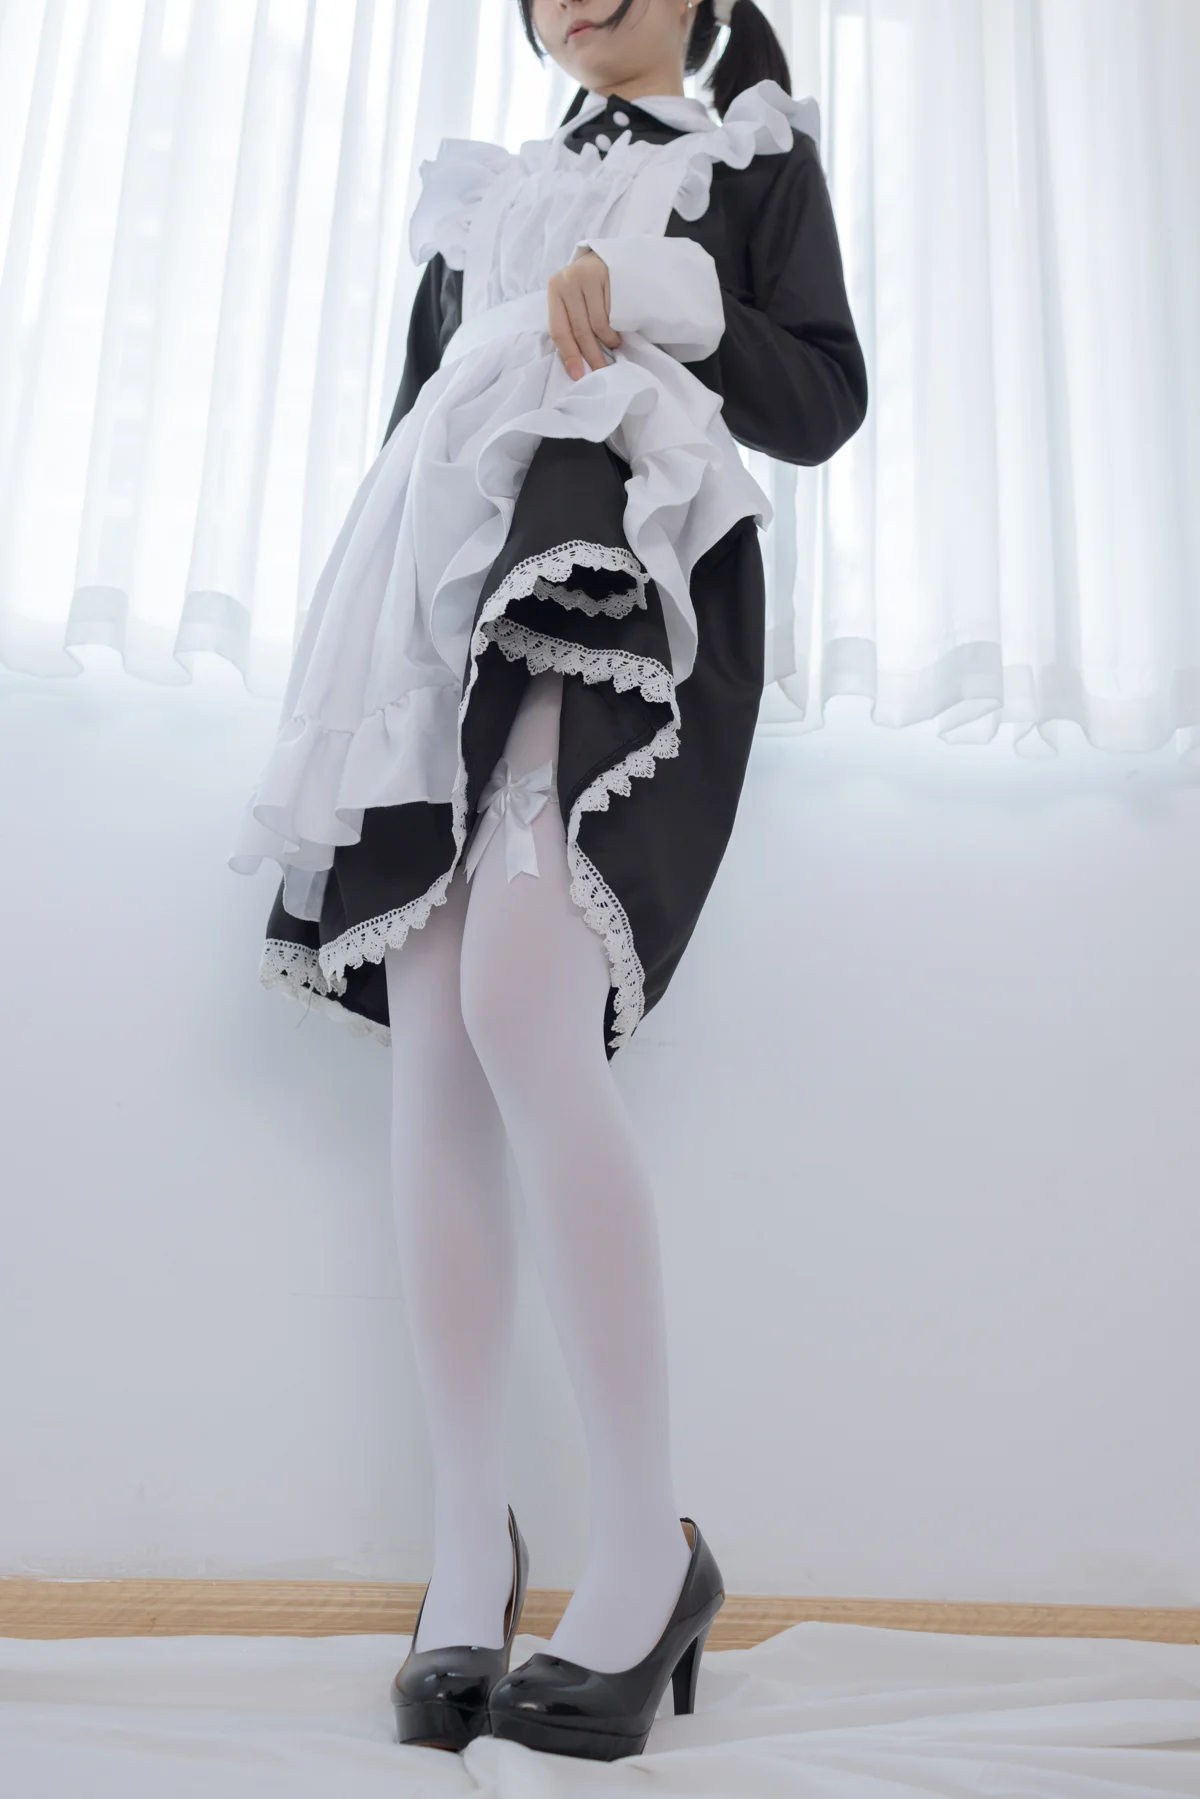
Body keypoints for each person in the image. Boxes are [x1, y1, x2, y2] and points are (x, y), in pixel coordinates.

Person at [227, 0, 867, 1763]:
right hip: (442, 593)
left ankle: (649, 1549)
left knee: (521, 998)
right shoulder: (483, 191)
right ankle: (467, 1555)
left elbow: (823, 400)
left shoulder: (751, 158)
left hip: (631, 579)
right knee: (435, 1025)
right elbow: (409, 433)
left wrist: (667, 299)